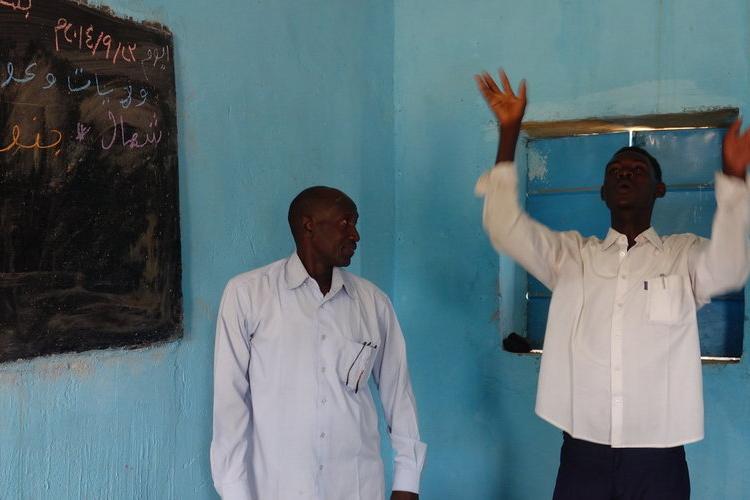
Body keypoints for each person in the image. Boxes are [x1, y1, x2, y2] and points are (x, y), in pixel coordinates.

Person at [474, 69, 750, 500]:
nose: (625, 174)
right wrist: (509, 133)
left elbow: (731, 267)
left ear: (659, 189)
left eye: (638, 169)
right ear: (602, 191)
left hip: (659, 457)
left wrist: (734, 180)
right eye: (615, 170)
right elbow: (504, 226)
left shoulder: (683, 257)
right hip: (583, 454)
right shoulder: (571, 258)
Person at [210, 186, 426, 500]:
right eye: (345, 223)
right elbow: (230, 406)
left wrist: (407, 483)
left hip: (357, 487)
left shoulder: (373, 303)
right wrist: (234, 492)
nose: (355, 235)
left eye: (355, 223)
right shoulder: (247, 295)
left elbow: (399, 397)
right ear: (308, 225)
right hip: (277, 490)